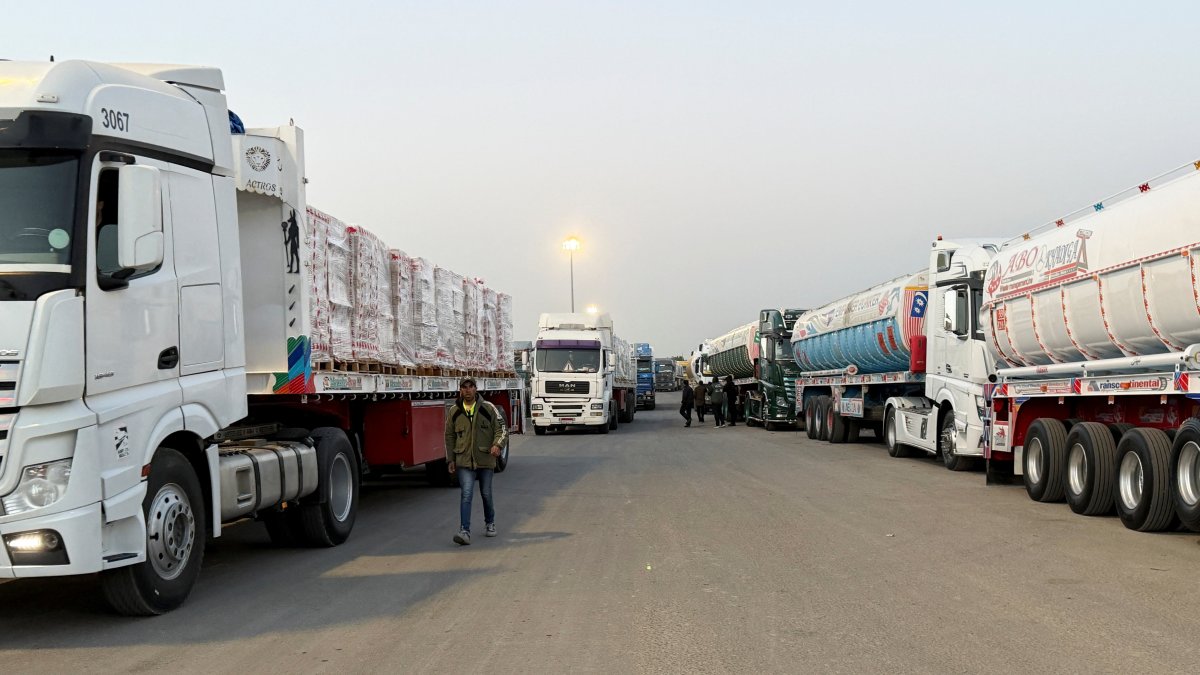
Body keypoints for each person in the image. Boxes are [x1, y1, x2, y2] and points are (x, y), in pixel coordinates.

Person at [445, 377, 508, 545]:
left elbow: (501, 429)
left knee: (486, 494)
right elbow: (449, 436)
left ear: (476, 389)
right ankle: (464, 531)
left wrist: (497, 445)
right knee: (466, 494)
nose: (467, 390)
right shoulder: (454, 411)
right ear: (460, 390)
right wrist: (451, 458)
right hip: (464, 461)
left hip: (485, 460)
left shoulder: (488, 408)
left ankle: (490, 523)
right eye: (464, 387)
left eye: (470, 386)